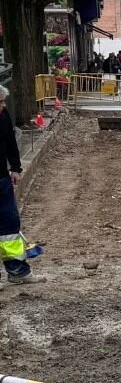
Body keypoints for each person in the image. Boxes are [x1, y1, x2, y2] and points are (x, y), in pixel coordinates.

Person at [0, 86, 43, 285]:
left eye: (3, 102)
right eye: (0, 102)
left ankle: (17, 270)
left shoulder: (3, 115)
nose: (3, 106)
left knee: (9, 226)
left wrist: (15, 167)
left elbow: (10, 141)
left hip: (2, 180)